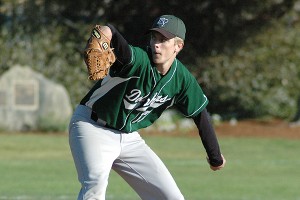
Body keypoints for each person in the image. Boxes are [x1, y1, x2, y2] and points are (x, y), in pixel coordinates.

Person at [69, 14, 226, 200]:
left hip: (129, 138)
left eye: (163, 40)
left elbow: (201, 115)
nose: (156, 44)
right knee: (94, 187)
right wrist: (107, 30)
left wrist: (215, 156)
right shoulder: (139, 59)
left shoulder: (182, 79)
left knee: (172, 197)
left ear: (178, 46)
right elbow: (123, 49)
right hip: (92, 127)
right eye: (154, 38)